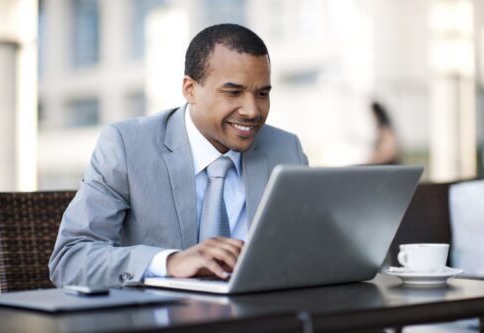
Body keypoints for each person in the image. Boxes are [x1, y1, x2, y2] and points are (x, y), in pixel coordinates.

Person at [49, 24, 308, 288]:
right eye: (233, 92)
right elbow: (70, 260)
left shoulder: (285, 149)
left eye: (262, 93)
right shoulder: (127, 146)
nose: (252, 111)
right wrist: (170, 263)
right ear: (190, 89)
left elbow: (312, 249)